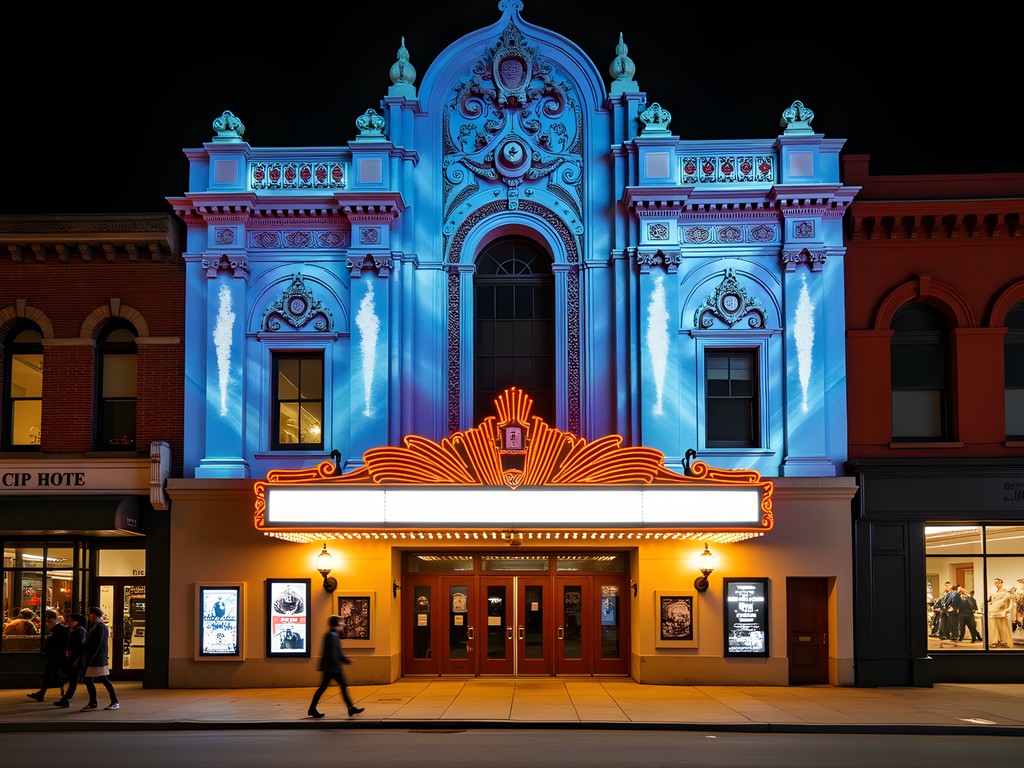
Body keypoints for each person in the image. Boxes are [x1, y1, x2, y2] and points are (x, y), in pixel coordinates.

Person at [307, 615, 364, 719]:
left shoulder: (330, 635)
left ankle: (350, 708)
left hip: (330, 667)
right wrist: (345, 661)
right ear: (337, 625)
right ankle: (350, 708)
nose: (343, 625)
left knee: (327, 687)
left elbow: (335, 652)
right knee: (339, 686)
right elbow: (335, 653)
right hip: (333, 668)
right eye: (341, 623)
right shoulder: (333, 636)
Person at [78, 607, 120, 711]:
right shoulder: (98, 626)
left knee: (100, 679)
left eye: (91, 616)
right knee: (94, 680)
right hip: (97, 658)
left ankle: (111, 701)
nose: (90, 618)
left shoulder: (100, 627)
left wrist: (90, 658)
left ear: (95, 616)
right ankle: (96, 702)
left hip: (97, 659)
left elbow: (97, 644)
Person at [27, 610, 68, 701]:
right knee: (50, 674)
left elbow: (57, 644)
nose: (46, 622)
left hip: (56, 656)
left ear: (53, 619)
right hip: (55, 655)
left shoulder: (58, 630)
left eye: (47, 620)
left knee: (50, 674)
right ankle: (42, 693)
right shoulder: (57, 629)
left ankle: (43, 693)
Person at [53, 613, 87, 708]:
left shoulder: (80, 631)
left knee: (73, 679)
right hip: (72, 656)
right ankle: (65, 698)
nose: (69, 622)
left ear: (76, 621)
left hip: (77, 657)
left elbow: (80, 646)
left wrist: (76, 658)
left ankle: (66, 699)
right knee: (71, 678)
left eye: (71, 620)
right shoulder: (72, 630)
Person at [988, 578, 1014, 648]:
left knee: (1001, 627)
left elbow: (1011, 601)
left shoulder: (1006, 592)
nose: (996, 584)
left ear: (1001, 583)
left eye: (998, 582)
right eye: (995, 583)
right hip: (992, 611)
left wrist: (1007, 610)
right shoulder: (995, 593)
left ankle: (1003, 641)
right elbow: (992, 602)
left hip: (1000, 612)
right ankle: (994, 641)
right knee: (993, 627)